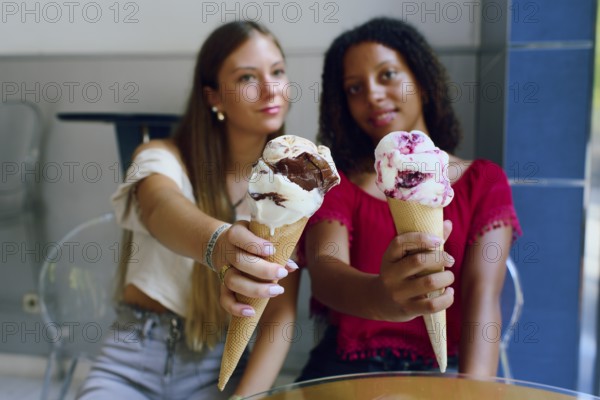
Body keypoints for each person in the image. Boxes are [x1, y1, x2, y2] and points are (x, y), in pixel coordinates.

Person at [223, 16, 522, 392]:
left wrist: (475, 391)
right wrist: (384, 294)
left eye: (387, 75)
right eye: (353, 88)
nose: (372, 95)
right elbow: (328, 273)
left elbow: (483, 301)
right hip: (341, 373)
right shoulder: (337, 184)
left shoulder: (484, 182)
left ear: (423, 84)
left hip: (440, 376)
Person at [76, 20, 296, 400]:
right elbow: (162, 208)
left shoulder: (291, 189)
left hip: (220, 364)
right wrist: (219, 243)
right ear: (213, 97)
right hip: (132, 359)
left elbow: (280, 313)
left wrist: (247, 397)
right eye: (247, 77)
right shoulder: (159, 157)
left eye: (277, 71)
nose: (270, 88)